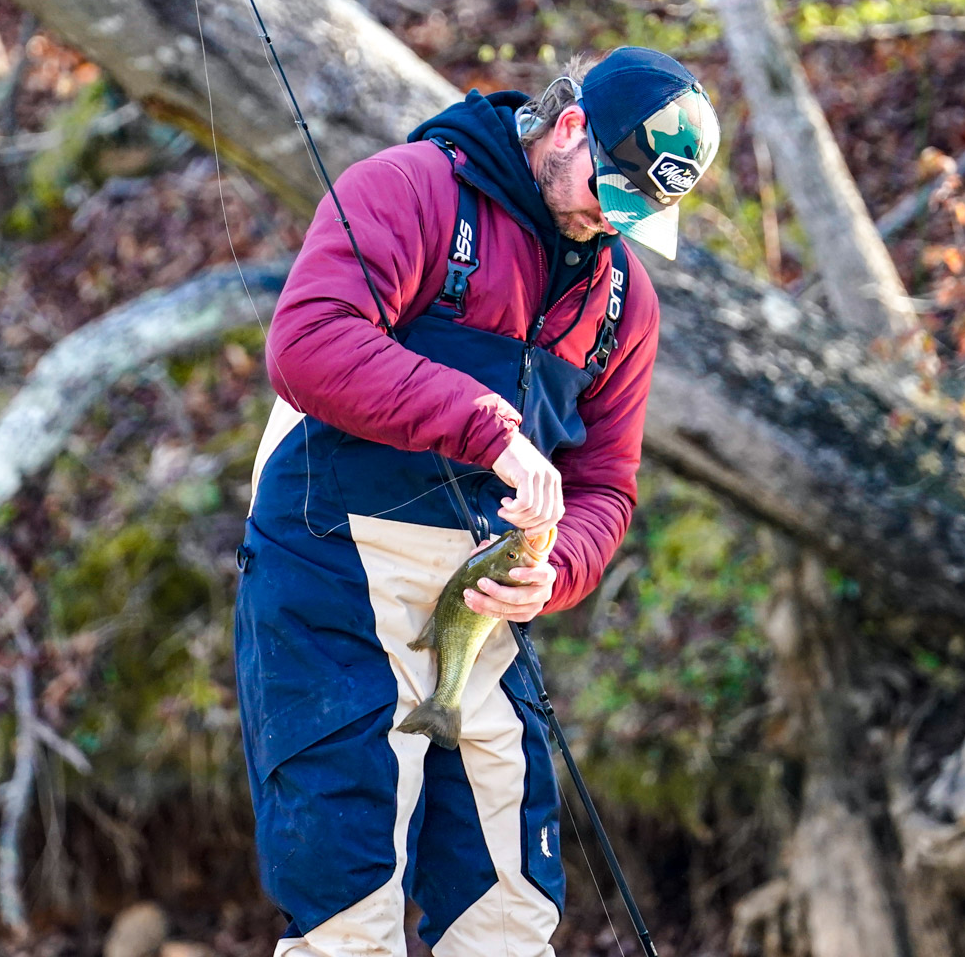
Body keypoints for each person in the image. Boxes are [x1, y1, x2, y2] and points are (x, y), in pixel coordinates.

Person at [233, 46, 720, 957]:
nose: (611, 224)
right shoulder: (412, 188)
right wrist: (487, 428)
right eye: (611, 194)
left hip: (483, 620)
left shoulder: (625, 301)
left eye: (638, 215)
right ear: (568, 128)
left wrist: (557, 571)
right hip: (329, 579)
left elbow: (606, 485)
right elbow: (307, 342)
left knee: (511, 915)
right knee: (348, 915)